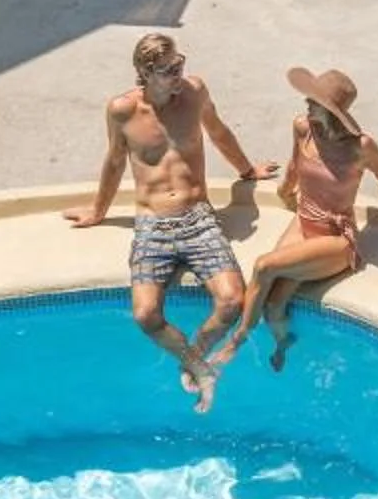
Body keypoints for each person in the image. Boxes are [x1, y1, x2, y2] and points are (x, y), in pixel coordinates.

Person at [65, 32, 278, 411]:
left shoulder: (194, 93)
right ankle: (201, 368)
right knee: (146, 315)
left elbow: (218, 131)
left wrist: (248, 170)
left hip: (198, 218)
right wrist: (98, 211)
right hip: (152, 225)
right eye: (168, 70)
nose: (179, 74)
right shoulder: (122, 111)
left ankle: (195, 358)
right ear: (145, 73)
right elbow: (114, 162)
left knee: (232, 301)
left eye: (180, 64)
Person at [219, 65, 378, 371]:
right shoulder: (303, 127)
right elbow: (294, 164)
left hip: (336, 239)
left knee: (264, 266)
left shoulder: (360, 147)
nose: (306, 104)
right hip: (303, 223)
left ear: (331, 111)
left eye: (314, 101)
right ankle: (284, 344)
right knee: (274, 307)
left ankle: (235, 343)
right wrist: (287, 191)